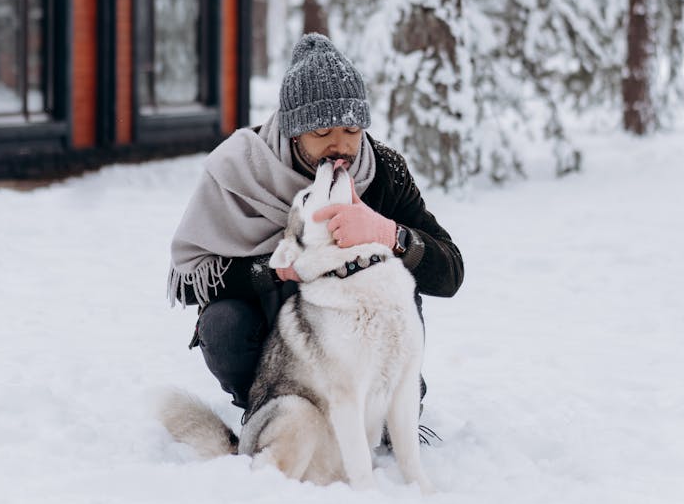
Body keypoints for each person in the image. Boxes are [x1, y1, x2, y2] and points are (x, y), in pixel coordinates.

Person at [168, 33, 464, 412]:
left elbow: (451, 273)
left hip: (359, 333)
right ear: (293, 131)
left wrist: (388, 235)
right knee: (223, 323)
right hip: (273, 329)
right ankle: (268, 408)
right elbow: (194, 285)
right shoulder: (239, 170)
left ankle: (387, 404)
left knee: (395, 281)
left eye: (352, 131)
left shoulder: (383, 171)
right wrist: (277, 271)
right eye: (321, 132)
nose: (340, 146)